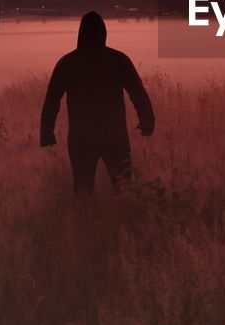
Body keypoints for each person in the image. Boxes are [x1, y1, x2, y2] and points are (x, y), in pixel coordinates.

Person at [40, 11, 155, 195]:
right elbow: (138, 93)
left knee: (83, 188)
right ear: (104, 33)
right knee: (123, 188)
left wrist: (47, 133)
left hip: (81, 137)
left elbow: (52, 99)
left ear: (80, 34)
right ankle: (123, 219)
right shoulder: (118, 60)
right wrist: (147, 121)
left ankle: (84, 221)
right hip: (114, 134)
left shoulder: (68, 62)